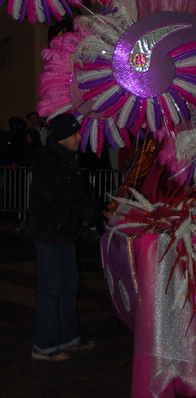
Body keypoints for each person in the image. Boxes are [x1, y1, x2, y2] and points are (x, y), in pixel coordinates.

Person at [30, 113, 104, 361]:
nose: (79, 137)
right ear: (62, 136)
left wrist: (98, 210)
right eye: (75, 133)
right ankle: (44, 344)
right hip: (49, 231)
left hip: (64, 231)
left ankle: (68, 337)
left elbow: (77, 189)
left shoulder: (67, 158)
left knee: (68, 286)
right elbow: (59, 194)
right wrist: (87, 213)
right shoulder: (47, 160)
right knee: (51, 289)